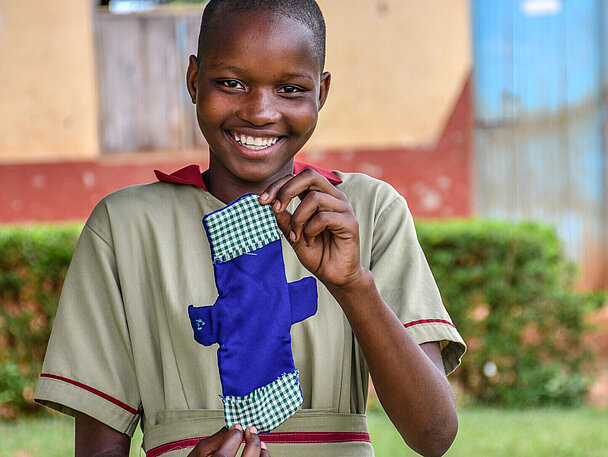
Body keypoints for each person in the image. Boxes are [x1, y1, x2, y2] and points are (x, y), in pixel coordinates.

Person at [34, 1, 465, 456]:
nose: (260, 111)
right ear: (194, 81)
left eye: (290, 89)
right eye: (231, 83)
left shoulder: (369, 212)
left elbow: (433, 436)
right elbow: (99, 446)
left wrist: (355, 285)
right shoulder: (124, 227)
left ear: (321, 91)